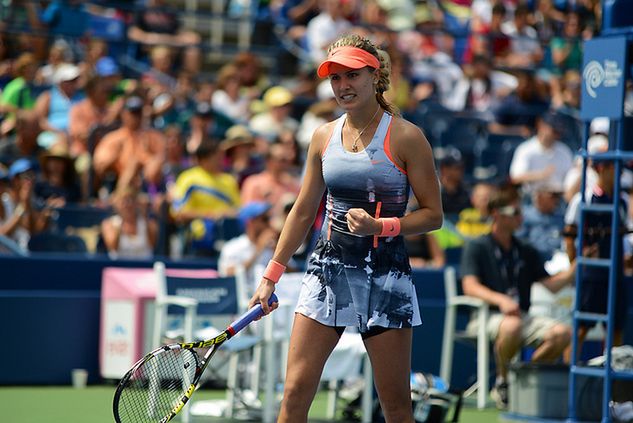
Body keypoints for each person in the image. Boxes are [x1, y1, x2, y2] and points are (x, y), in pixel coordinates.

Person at [247, 34, 443, 423]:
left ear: (374, 75)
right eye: (334, 78)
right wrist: (271, 275)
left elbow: (434, 215)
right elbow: (303, 210)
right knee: (294, 393)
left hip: (386, 277)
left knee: (396, 406)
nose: (342, 86)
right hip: (327, 273)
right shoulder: (322, 136)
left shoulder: (406, 136)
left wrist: (381, 225)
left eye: (351, 75)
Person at [460, 185, 575, 410]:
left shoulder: (526, 250)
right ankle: (503, 382)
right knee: (512, 325)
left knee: (563, 334)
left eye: (521, 212)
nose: (521, 217)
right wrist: (501, 300)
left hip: (522, 317)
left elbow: (551, 285)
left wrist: (577, 266)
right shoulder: (477, 246)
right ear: (496, 214)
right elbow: (470, 286)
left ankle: (521, 379)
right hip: (485, 317)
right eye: (515, 212)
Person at [563, 145, 629, 362]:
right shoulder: (582, 200)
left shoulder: (622, 200)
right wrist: (577, 266)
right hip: (592, 276)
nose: (618, 172)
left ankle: (614, 387)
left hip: (616, 274)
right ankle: (567, 377)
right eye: (613, 167)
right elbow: (569, 238)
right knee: (581, 329)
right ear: (601, 169)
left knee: (616, 330)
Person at [100, 186, 158, 259]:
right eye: (124, 200)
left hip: (144, 269)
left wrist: (144, 214)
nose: (128, 204)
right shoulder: (109, 224)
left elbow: (152, 244)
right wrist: (122, 220)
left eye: (131, 199)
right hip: (119, 268)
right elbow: (113, 247)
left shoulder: (149, 223)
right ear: (117, 204)